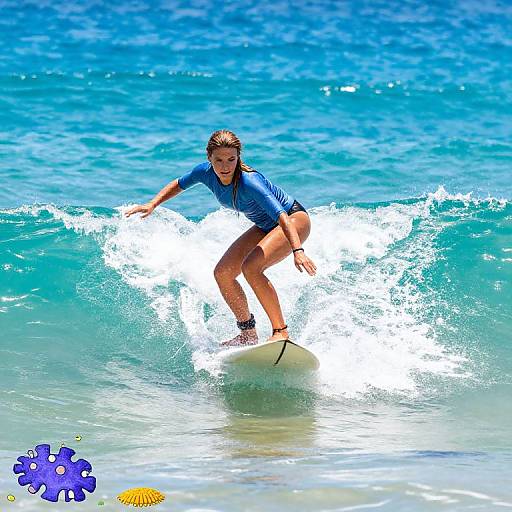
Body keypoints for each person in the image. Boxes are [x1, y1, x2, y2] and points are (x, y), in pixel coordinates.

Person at [125, 130, 317, 347]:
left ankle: (280, 331)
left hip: (293, 220)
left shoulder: (250, 181)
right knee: (223, 273)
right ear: (209, 158)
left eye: (231, 160)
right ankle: (248, 333)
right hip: (265, 225)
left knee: (251, 268)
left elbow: (281, 215)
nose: (225, 166)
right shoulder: (204, 173)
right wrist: (153, 203)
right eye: (219, 160)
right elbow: (179, 183)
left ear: (238, 158)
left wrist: (298, 250)